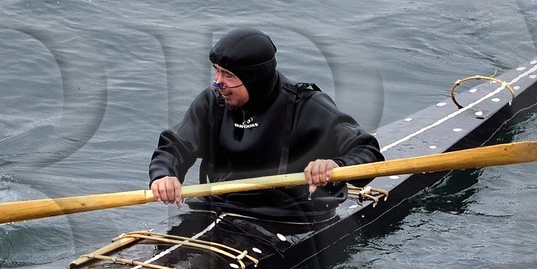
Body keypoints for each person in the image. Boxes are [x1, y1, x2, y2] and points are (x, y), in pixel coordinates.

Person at [148, 27, 382, 223]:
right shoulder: (212, 103)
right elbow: (174, 146)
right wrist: (164, 175)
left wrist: (335, 165)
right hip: (219, 207)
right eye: (217, 72)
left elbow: (367, 151)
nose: (218, 83)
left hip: (289, 216)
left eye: (228, 76)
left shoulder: (307, 107)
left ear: (255, 79)